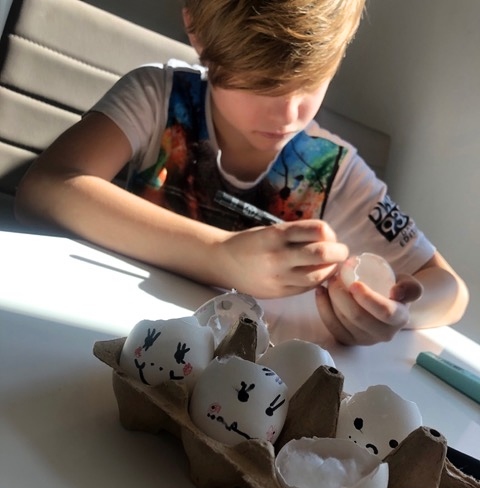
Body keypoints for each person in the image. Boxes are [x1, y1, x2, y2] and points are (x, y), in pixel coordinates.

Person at [15, 0, 469, 346]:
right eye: (261, 83)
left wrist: (393, 312)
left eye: (311, 81)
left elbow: (450, 291)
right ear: (197, 32)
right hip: (100, 338)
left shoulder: (334, 172)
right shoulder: (157, 97)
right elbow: (46, 187)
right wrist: (219, 256)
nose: (289, 114)